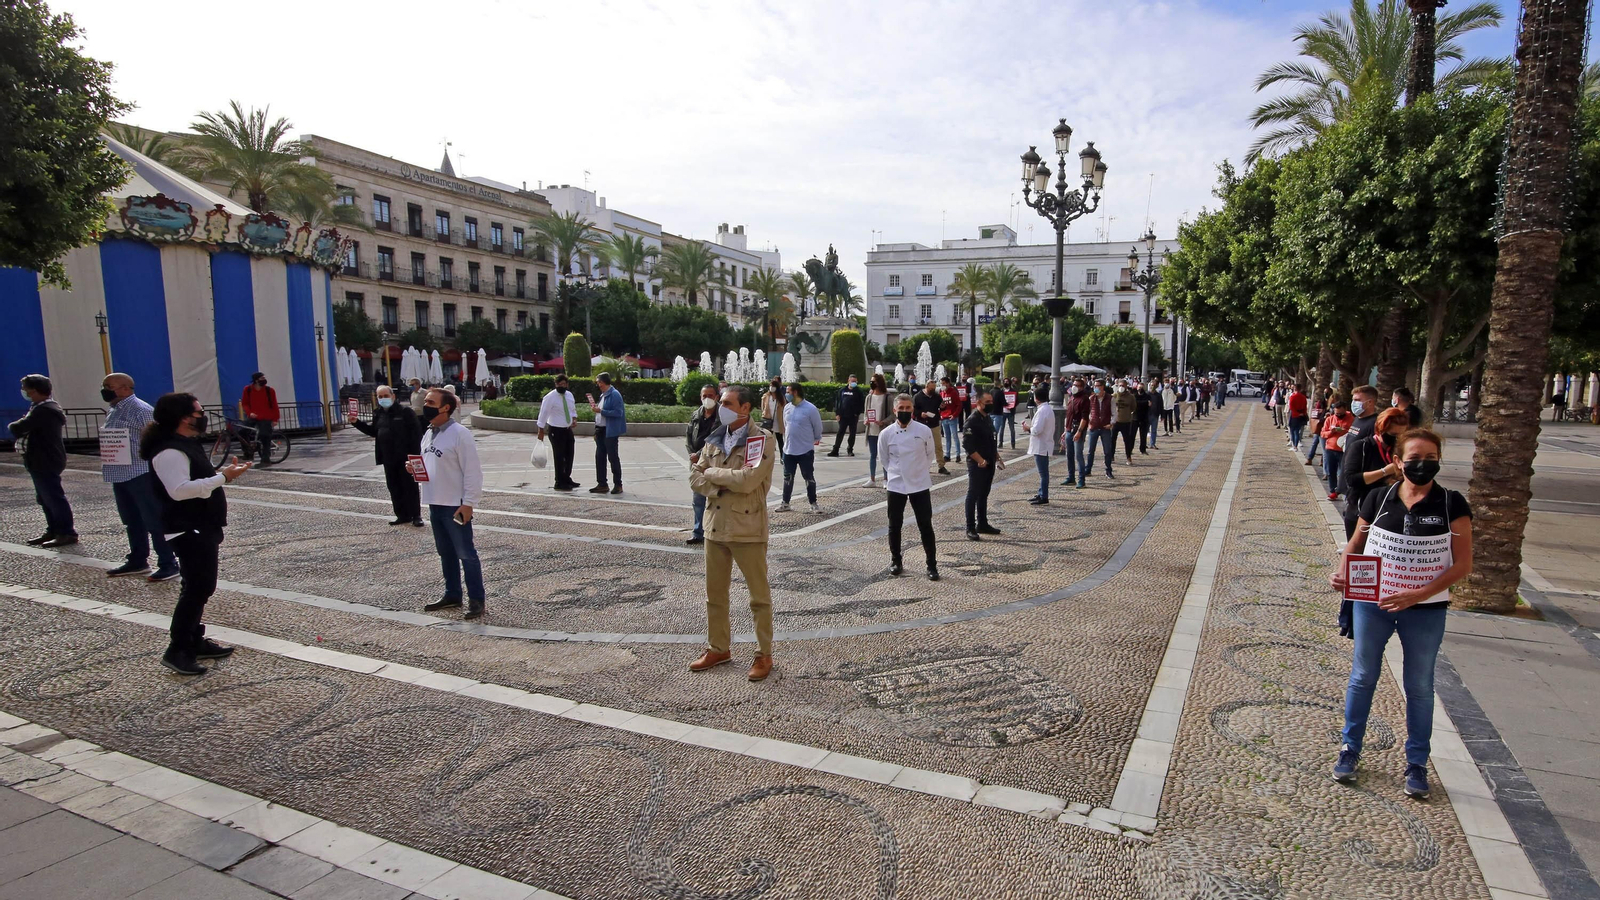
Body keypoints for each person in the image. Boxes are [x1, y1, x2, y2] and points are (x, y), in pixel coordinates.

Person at [1329, 427, 1472, 799]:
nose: (1422, 465)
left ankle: (1417, 763)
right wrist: (1344, 571)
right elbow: (1356, 543)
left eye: (1430, 459)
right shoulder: (1379, 497)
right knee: (1363, 676)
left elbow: (1463, 564)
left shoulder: (1451, 504)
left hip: (1424, 611)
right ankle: (1350, 749)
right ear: (1397, 461)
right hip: (1372, 604)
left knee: (1420, 686)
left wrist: (1420, 594)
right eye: (1413, 459)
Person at [142, 392, 251, 675]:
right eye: (198, 412)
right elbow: (178, 491)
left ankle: (193, 639)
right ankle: (178, 648)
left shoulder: (185, 444)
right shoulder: (169, 451)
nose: (202, 416)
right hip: (187, 527)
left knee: (199, 586)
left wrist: (222, 474)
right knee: (197, 588)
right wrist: (223, 477)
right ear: (183, 417)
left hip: (201, 524)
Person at [688, 385, 778, 682]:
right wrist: (720, 483)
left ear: (745, 408)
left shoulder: (761, 439)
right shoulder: (714, 437)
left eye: (727, 402)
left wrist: (711, 474)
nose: (719, 405)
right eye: (720, 401)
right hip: (715, 526)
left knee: (758, 597)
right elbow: (693, 478)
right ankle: (719, 648)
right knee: (714, 595)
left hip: (747, 528)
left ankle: (763, 654)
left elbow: (748, 480)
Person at [100, 374, 179, 580]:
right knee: (131, 520)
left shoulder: (140, 410)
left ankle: (168, 562)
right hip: (120, 474)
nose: (105, 390)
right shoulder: (115, 410)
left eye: (109, 386)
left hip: (140, 472)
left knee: (154, 520)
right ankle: (137, 559)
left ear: (126, 388)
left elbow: (158, 439)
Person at [415, 389, 486, 618]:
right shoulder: (428, 433)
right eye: (426, 401)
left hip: (455, 504)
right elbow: (433, 463)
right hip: (435, 501)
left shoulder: (460, 433)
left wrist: (469, 502)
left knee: (466, 553)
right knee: (445, 552)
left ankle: (476, 599)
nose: (425, 404)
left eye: (430, 402)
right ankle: (452, 594)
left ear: (445, 407)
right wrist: (416, 470)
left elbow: (473, 471)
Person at [10, 375, 74, 548]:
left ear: (33, 391)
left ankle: (66, 532)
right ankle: (53, 529)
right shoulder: (40, 407)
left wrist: (14, 427)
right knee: (44, 498)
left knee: (53, 497)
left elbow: (19, 427)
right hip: (39, 459)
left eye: (25, 388)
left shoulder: (44, 410)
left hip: (45, 459)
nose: (24, 392)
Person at [879, 393, 939, 580]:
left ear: (912, 409)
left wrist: (918, 470)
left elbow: (930, 455)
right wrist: (896, 472)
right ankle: (896, 560)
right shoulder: (886, 433)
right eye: (901, 409)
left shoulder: (923, 430)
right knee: (894, 525)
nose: (904, 411)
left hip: (920, 483)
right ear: (894, 410)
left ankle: (931, 565)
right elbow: (884, 459)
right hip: (896, 484)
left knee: (925, 525)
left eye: (908, 408)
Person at [350, 384, 423, 526]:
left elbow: (416, 434)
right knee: (394, 487)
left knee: (409, 487)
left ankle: (416, 515)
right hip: (388, 457)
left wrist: (414, 456)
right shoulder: (378, 413)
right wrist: (356, 423)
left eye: (386, 396)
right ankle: (402, 515)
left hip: (405, 458)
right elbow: (374, 431)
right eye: (380, 396)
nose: (383, 399)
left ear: (393, 396)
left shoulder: (405, 412)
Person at [1341, 407, 1410, 540]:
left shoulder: (1399, 450)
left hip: (1390, 511)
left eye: (1401, 435)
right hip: (1362, 510)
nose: (1397, 439)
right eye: (1393, 434)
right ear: (1380, 430)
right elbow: (1351, 479)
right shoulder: (1361, 447)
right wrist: (1385, 471)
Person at [777, 382, 824, 512]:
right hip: (789, 450)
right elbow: (786, 426)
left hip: (805, 450)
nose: (786, 394)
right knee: (787, 477)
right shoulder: (787, 408)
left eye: (788, 391)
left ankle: (813, 502)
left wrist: (814, 440)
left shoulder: (810, 409)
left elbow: (818, 428)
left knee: (808, 477)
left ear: (795, 392)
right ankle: (785, 502)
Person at [962, 388, 1002, 540]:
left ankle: (982, 523)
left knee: (984, 494)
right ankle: (970, 527)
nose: (991, 404)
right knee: (973, 494)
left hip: (989, 461)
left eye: (991, 401)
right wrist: (980, 460)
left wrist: (997, 457)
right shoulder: (972, 420)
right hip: (977, 463)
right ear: (978, 403)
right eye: (988, 402)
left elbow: (991, 440)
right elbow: (968, 445)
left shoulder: (987, 418)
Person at [684, 383, 721, 544]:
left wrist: (699, 454)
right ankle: (698, 532)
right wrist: (692, 455)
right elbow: (688, 437)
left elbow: (717, 438)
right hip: (697, 464)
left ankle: (716, 531)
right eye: (704, 396)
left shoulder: (722, 417)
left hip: (715, 461)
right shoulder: (696, 415)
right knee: (698, 500)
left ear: (717, 397)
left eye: (710, 395)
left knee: (717, 498)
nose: (707, 399)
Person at [537, 375, 580, 491]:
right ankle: (559, 481)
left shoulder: (569, 395)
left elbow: (572, 409)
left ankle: (566, 477)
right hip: (556, 430)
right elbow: (543, 413)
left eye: (564, 384)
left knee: (569, 454)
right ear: (556, 385)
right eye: (559, 384)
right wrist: (540, 429)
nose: (562, 386)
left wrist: (574, 418)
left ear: (567, 384)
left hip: (567, 429)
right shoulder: (550, 397)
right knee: (559, 456)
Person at [588, 372, 626, 494]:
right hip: (600, 430)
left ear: (605, 382)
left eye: (599, 382)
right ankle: (602, 484)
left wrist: (601, 411)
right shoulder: (603, 395)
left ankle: (618, 484)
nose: (598, 384)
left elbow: (618, 412)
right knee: (600, 458)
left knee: (613, 457)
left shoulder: (614, 394)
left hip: (609, 431)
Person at [239, 372, 279, 467]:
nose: (264, 379)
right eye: (261, 378)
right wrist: (249, 413)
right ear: (256, 380)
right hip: (254, 416)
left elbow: (274, 405)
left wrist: (275, 419)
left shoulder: (270, 391)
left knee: (264, 435)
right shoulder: (248, 390)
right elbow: (245, 403)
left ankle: (266, 459)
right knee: (242, 432)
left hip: (266, 417)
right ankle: (248, 452)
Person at [1024, 383, 1055, 504]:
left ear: (1036, 398)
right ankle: (1041, 492)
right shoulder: (1046, 409)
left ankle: (1044, 496)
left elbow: (1037, 430)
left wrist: (1028, 428)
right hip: (1043, 444)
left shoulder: (1043, 411)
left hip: (1041, 445)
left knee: (1043, 473)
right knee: (1043, 472)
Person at [1319, 399, 1355, 500]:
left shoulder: (1352, 419)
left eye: (1340, 413)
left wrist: (1345, 431)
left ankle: (1343, 491)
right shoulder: (1330, 419)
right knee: (1331, 471)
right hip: (1330, 448)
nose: (1338, 415)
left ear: (1345, 410)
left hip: (1344, 450)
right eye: (1336, 413)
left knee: (1343, 472)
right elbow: (1323, 433)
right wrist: (1331, 432)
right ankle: (1333, 491)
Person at [863, 373, 893, 486]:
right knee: (872, 455)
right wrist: (866, 420)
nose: (872, 384)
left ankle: (886, 479)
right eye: (871, 381)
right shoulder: (869, 397)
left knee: (884, 455)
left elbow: (892, 414)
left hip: (883, 430)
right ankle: (872, 479)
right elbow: (866, 413)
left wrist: (883, 422)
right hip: (871, 430)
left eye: (874, 381)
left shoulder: (887, 397)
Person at [1061, 377, 1091, 489]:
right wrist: (1065, 430)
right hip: (1069, 430)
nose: (1074, 386)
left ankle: (1081, 480)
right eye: (1074, 384)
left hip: (1078, 431)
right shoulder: (1071, 397)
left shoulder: (1084, 399)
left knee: (1078, 455)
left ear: (1082, 387)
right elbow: (1068, 416)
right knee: (1069, 455)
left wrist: (1079, 432)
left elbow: (1084, 418)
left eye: (1077, 385)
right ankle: (1071, 477)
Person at [913, 379, 948, 475]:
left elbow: (942, 407)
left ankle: (941, 465)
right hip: (922, 424)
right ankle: (923, 466)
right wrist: (920, 414)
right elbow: (914, 410)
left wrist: (943, 406)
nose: (933, 390)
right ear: (926, 386)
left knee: (938, 445)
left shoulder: (937, 396)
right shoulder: (918, 396)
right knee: (922, 446)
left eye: (934, 388)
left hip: (934, 423)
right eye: (931, 388)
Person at [1084, 379, 1115, 482]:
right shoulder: (1091, 398)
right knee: (1090, 450)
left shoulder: (1110, 398)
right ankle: (1088, 469)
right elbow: (1087, 412)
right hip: (1094, 427)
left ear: (1102, 387)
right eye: (1095, 386)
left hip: (1105, 428)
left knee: (1107, 451)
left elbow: (1115, 413)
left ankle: (1108, 470)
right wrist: (1089, 421)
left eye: (1098, 386)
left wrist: (1111, 423)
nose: (1096, 388)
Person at [828, 374, 863, 457]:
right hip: (843, 416)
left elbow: (861, 403)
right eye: (852, 381)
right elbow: (838, 402)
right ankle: (835, 450)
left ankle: (850, 449)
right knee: (840, 433)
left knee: (852, 434)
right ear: (848, 381)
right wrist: (837, 413)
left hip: (853, 417)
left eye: (855, 381)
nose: (853, 383)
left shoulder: (858, 391)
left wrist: (857, 413)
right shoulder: (842, 390)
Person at [1113, 379, 1138, 464]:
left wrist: (1127, 413)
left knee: (1127, 440)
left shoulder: (1131, 397)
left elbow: (1133, 407)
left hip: (1126, 421)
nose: (1121, 387)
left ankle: (1128, 457)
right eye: (1120, 385)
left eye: (1123, 385)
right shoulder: (1114, 396)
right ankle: (1111, 456)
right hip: (1115, 421)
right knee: (1112, 440)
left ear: (1126, 386)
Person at [938, 377, 961, 463]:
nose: (943, 385)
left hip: (952, 418)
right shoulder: (941, 393)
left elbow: (959, 405)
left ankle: (958, 454)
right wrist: (940, 412)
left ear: (948, 383)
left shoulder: (953, 392)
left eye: (944, 383)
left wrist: (954, 415)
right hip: (944, 418)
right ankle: (947, 455)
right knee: (947, 437)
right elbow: (940, 406)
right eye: (941, 383)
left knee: (955, 436)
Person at [761, 377, 787, 453]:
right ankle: (767, 455)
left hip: (778, 421)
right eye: (770, 386)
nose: (771, 388)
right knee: (768, 439)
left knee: (780, 440)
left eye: (773, 386)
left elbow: (784, 408)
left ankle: (782, 456)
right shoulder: (766, 396)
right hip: (768, 420)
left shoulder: (781, 397)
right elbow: (763, 408)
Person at [1286, 383, 1309, 451]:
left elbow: (1291, 407)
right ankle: (1296, 445)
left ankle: (1294, 446)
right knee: (1297, 431)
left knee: (1293, 431)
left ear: (1295, 388)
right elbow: (1305, 407)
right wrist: (1303, 413)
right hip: (1301, 415)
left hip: (1294, 415)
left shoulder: (1293, 396)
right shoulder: (1303, 397)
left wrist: (1296, 413)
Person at [1134, 380, 1152, 455]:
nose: (1140, 389)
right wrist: (1144, 403)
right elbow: (1135, 404)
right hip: (1135, 418)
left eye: (1141, 387)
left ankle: (1143, 449)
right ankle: (1130, 449)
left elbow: (1149, 405)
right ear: (1137, 388)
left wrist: (1140, 403)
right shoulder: (1134, 395)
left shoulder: (1147, 396)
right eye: (1139, 387)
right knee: (1132, 435)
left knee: (1143, 435)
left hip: (1144, 418)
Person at [1145, 379, 1163, 451]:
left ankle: (1152, 444)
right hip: (1147, 415)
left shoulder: (1158, 395)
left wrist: (1162, 415)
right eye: (1151, 385)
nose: (1152, 387)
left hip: (1155, 415)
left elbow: (1161, 405)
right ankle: (1144, 444)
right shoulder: (1146, 394)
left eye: (1154, 385)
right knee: (1145, 430)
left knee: (1154, 430)